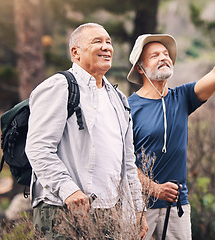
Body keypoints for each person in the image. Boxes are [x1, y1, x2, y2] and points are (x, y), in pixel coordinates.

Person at [127, 24, 215, 240]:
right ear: (140, 68)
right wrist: (154, 188)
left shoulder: (182, 97)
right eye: (155, 55)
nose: (164, 58)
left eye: (166, 54)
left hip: (177, 205)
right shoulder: (127, 108)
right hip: (139, 208)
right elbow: (123, 161)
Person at [25, 23, 148, 239]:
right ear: (75, 53)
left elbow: (128, 162)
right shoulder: (59, 87)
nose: (106, 47)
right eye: (97, 41)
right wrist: (68, 189)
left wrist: (138, 209)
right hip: (62, 210)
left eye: (109, 42)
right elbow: (37, 148)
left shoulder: (119, 100)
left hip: (109, 213)